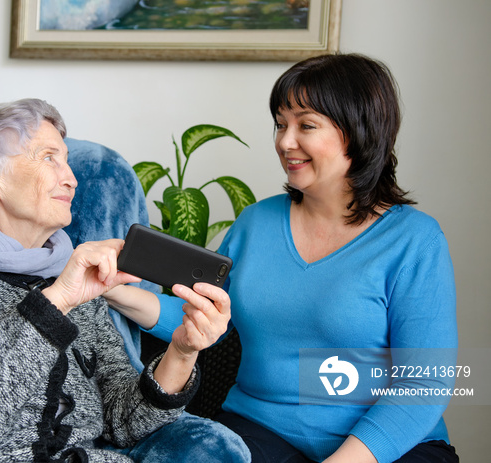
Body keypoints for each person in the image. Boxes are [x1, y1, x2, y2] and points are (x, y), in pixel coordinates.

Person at [0, 98, 250, 462]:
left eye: (66, 160)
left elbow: (123, 421)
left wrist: (181, 351)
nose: (70, 177)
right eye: (48, 157)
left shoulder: (75, 278)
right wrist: (58, 301)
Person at [105, 53, 459, 463]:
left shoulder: (415, 240)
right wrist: (114, 289)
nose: (284, 142)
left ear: (360, 132)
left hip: (387, 448)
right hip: (259, 432)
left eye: (306, 125)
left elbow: (425, 385)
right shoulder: (256, 222)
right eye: (280, 123)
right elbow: (197, 316)